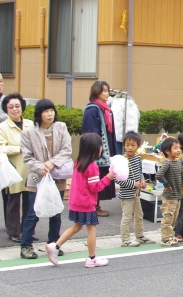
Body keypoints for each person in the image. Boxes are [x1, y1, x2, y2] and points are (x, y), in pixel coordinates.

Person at [45, 133, 115, 268]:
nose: (101, 148)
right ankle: (91, 258)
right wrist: (107, 178)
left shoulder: (78, 162)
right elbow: (95, 187)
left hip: (75, 202)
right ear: (95, 149)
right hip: (87, 203)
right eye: (100, 146)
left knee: (77, 226)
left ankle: (55, 246)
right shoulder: (92, 166)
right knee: (91, 229)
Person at [19, 99, 71, 260]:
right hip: (37, 177)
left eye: (52, 110)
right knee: (33, 212)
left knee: (56, 211)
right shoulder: (28, 133)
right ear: (39, 114)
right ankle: (26, 245)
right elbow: (27, 157)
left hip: (57, 176)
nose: (50, 114)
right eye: (46, 111)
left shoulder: (61, 127)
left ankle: (54, 243)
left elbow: (66, 149)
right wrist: (41, 166)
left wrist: (52, 163)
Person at [0, 93, 34, 243]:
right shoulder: (2, 127)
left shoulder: (30, 124)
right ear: (6, 109)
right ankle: (13, 231)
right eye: (11, 107)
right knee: (14, 202)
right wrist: (20, 148)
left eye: (17, 106)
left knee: (30, 202)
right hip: (13, 169)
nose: (15, 109)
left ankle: (28, 230)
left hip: (31, 169)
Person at [81, 81, 117, 217]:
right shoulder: (92, 109)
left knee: (100, 176)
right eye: (104, 91)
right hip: (97, 151)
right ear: (96, 92)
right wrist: (97, 149)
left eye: (108, 90)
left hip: (104, 149)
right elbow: (90, 132)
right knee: (95, 177)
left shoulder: (105, 108)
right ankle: (93, 206)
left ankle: (96, 204)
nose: (107, 93)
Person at [118, 131, 154, 247]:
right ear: (124, 145)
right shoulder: (121, 160)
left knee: (139, 215)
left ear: (138, 146)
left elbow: (139, 172)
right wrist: (134, 184)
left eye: (133, 145)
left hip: (136, 194)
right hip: (126, 194)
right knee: (127, 217)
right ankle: (125, 239)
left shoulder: (138, 158)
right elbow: (118, 179)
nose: (130, 147)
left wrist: (142, 180)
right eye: (127, 145)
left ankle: (139, 236)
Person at [155, 137, 183, 246]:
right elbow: (159, 175)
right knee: (168, 217)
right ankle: (166, 239)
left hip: (177, 196)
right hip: (169, 197)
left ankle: (171, 236)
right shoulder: (167, 163)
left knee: (173, 218)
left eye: (179, 148)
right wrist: (167, 184)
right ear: (167, 151)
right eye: (175, 148)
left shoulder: (177, 162)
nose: (178, 150)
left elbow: (180, 175)